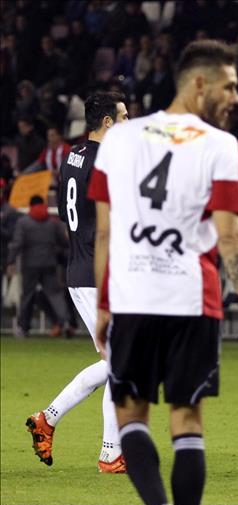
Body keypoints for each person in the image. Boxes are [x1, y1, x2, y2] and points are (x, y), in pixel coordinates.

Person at [87, 40, 238, 505]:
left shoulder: (118, 139)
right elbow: (231, 233)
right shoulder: (219, 145)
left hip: (134, 295)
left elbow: (103, 229)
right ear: (199, 85)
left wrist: (102, 302)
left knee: (129, 417)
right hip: (193, 298)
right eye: (229, 86)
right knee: (187, 424)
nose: (236, 96)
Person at [25, 91, 129, 473]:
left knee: (119, 362)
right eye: (123, 117)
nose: (128, 123)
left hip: (83, 270)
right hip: (97, 274)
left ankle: (48, 419)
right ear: (107, 123)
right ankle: (108, 454)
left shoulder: (73, 154)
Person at [6, 195, 69, 337]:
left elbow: (17, 244)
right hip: (50, 263)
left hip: (30, 264)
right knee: (55, 295)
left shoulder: (24, 222)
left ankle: (23, 328)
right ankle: (65, 323)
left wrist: (10, 261)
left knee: (27, 296)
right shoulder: (52, 222)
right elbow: (64, 242)